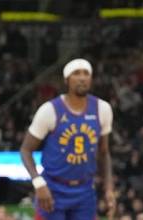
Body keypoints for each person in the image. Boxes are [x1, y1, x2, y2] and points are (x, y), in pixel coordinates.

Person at [20, 58, 115, 220]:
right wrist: (38, 183)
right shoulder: (49, 110)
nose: (82, 77)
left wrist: (109, 187)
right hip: (53, 188)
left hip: (85, 189)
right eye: (76, 73)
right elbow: (26, 150)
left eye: (86, 73)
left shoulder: (102, 109)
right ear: (66, 80)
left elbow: (104, 152)